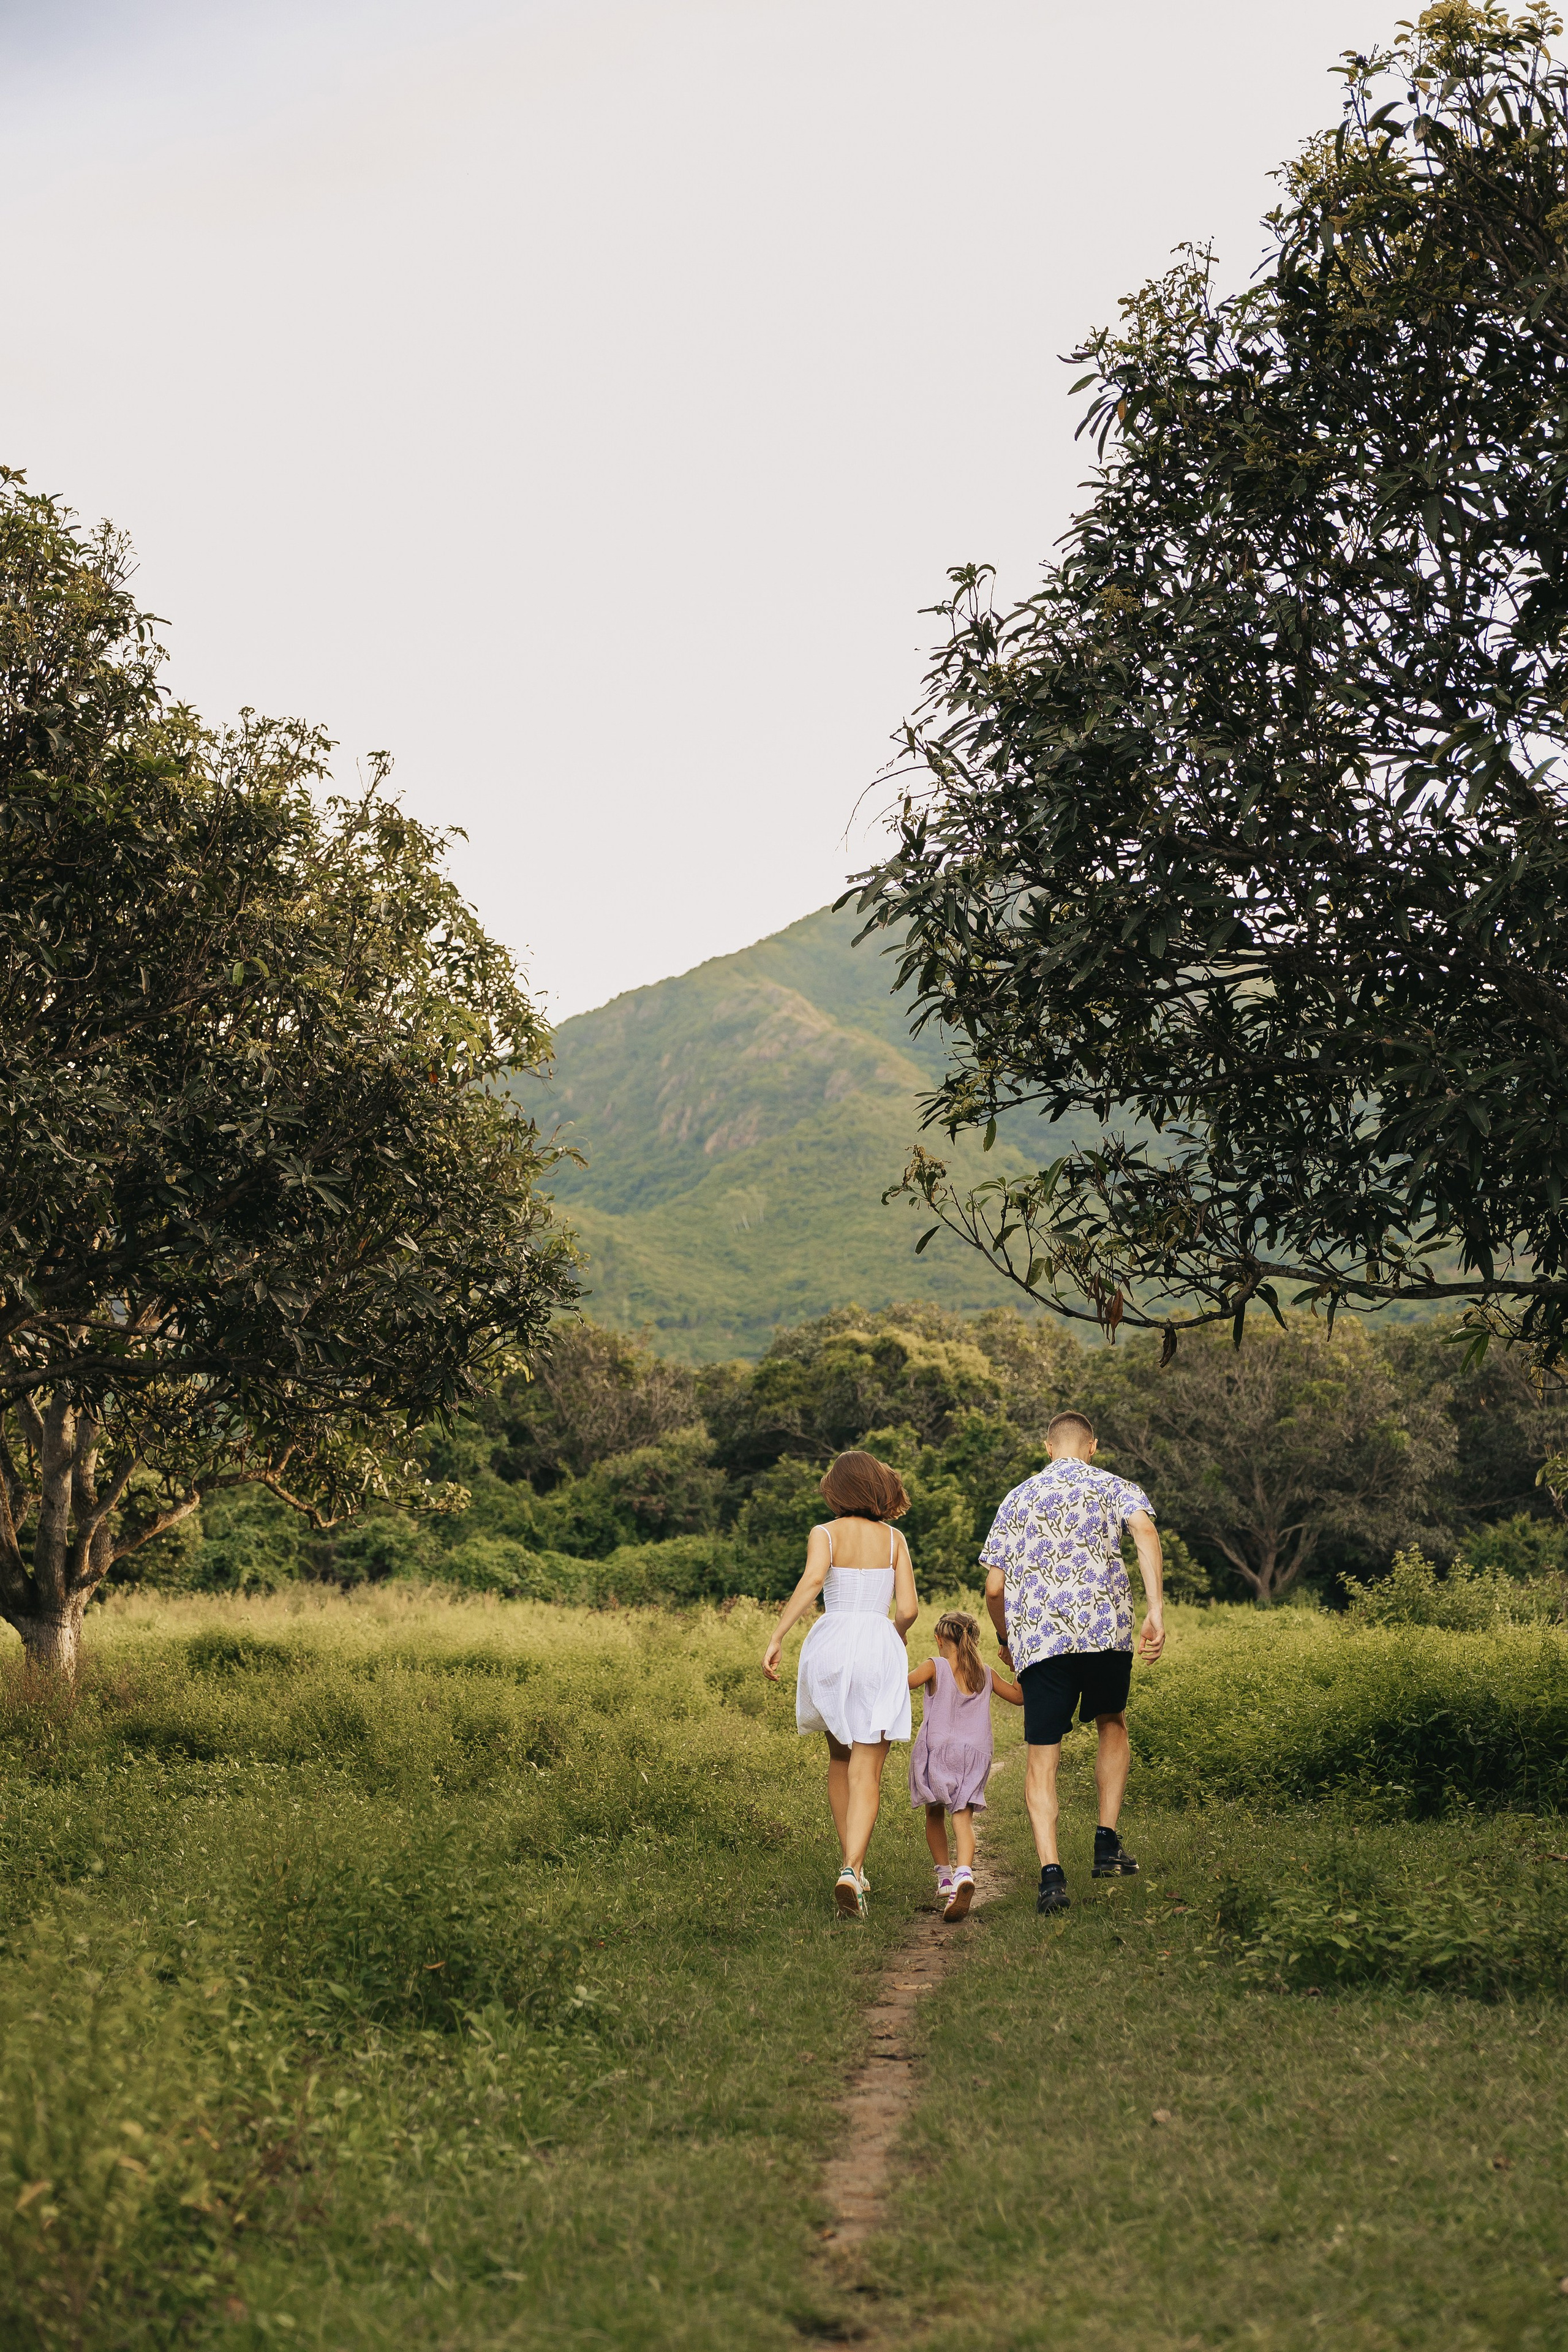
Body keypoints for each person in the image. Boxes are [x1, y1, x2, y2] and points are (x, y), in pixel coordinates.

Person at [981, 1409, 1164, 1917]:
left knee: (1043, 1755)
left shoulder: (1017, 1498)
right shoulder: (1115, 1486)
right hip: (1106, 1633)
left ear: (1048, 1447)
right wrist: (1155, 1609)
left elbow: (994, 1587)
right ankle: (1107, 1842)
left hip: (1041, 1643)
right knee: (1113, 1723)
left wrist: (1006, 1636)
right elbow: (1145, 1533)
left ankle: (1051, 1878)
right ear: (1092, 1446)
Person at [762, 1450, 918, 1917]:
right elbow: (908, 1609)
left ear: (839, 1490)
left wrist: (777, 1635)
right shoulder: (895, 1540)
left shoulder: (824, 1534)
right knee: (866, 1769)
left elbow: (812, 1583)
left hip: (829, 1644)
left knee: (839, 1758)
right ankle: (852, 1869)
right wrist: (891, 1639)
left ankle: (852, 1868)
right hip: (876, 1642)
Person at [907, 1608, 1022, 1920]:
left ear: (939, 1638)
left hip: (939, 1750)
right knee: (962, 1817)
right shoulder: (985, 1673)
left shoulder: (935, 1666)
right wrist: (1017, 1665)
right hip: (975, 1753)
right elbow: (1019, 1697)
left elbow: (904, 1684)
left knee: (934, 1813)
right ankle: (964, 1873)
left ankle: (945, 1878)